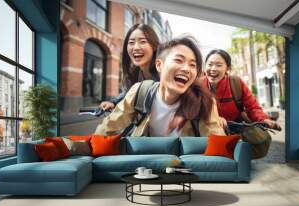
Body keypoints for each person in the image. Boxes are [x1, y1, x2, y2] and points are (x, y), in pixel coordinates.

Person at [95, 36, 225, 137]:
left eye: (192, 65)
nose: (187, 69)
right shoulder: (140, 92)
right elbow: (107, 129)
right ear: (159, 65)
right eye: (179, 60)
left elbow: (219, 145)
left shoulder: (204, 101)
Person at [203, 49, 280, 129]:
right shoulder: (198, 85)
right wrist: (214, 119)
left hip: (235, 132)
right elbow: (192, 113)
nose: (213, 69)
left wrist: (264, 119)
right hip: (207, 132)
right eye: (210, 64)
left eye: (219, 65)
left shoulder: (236, 83)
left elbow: (252, 108)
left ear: (227, 68)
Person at [99, 24, 160, 111]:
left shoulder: (163, 75)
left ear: (154, 46)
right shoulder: (134, 74)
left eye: (142, 41)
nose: (135, 48)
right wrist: (113, 102)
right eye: (131, 43)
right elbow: (128, 92)